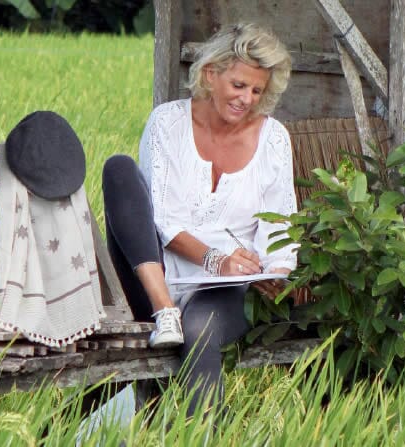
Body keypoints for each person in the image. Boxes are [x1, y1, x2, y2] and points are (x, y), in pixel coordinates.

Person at [101, 23, 298, 415]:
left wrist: (275, 271)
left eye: (256, 91)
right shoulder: (167, 123)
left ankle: (200, 431)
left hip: (227, 288)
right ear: (211, 74)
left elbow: (281, 223)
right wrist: (213, 258)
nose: (247, 99)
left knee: (199, 329)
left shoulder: (273, 138)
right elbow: (161, 217)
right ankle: (164, 312)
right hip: (154, 278)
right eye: (239, 85)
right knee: (119, 169)